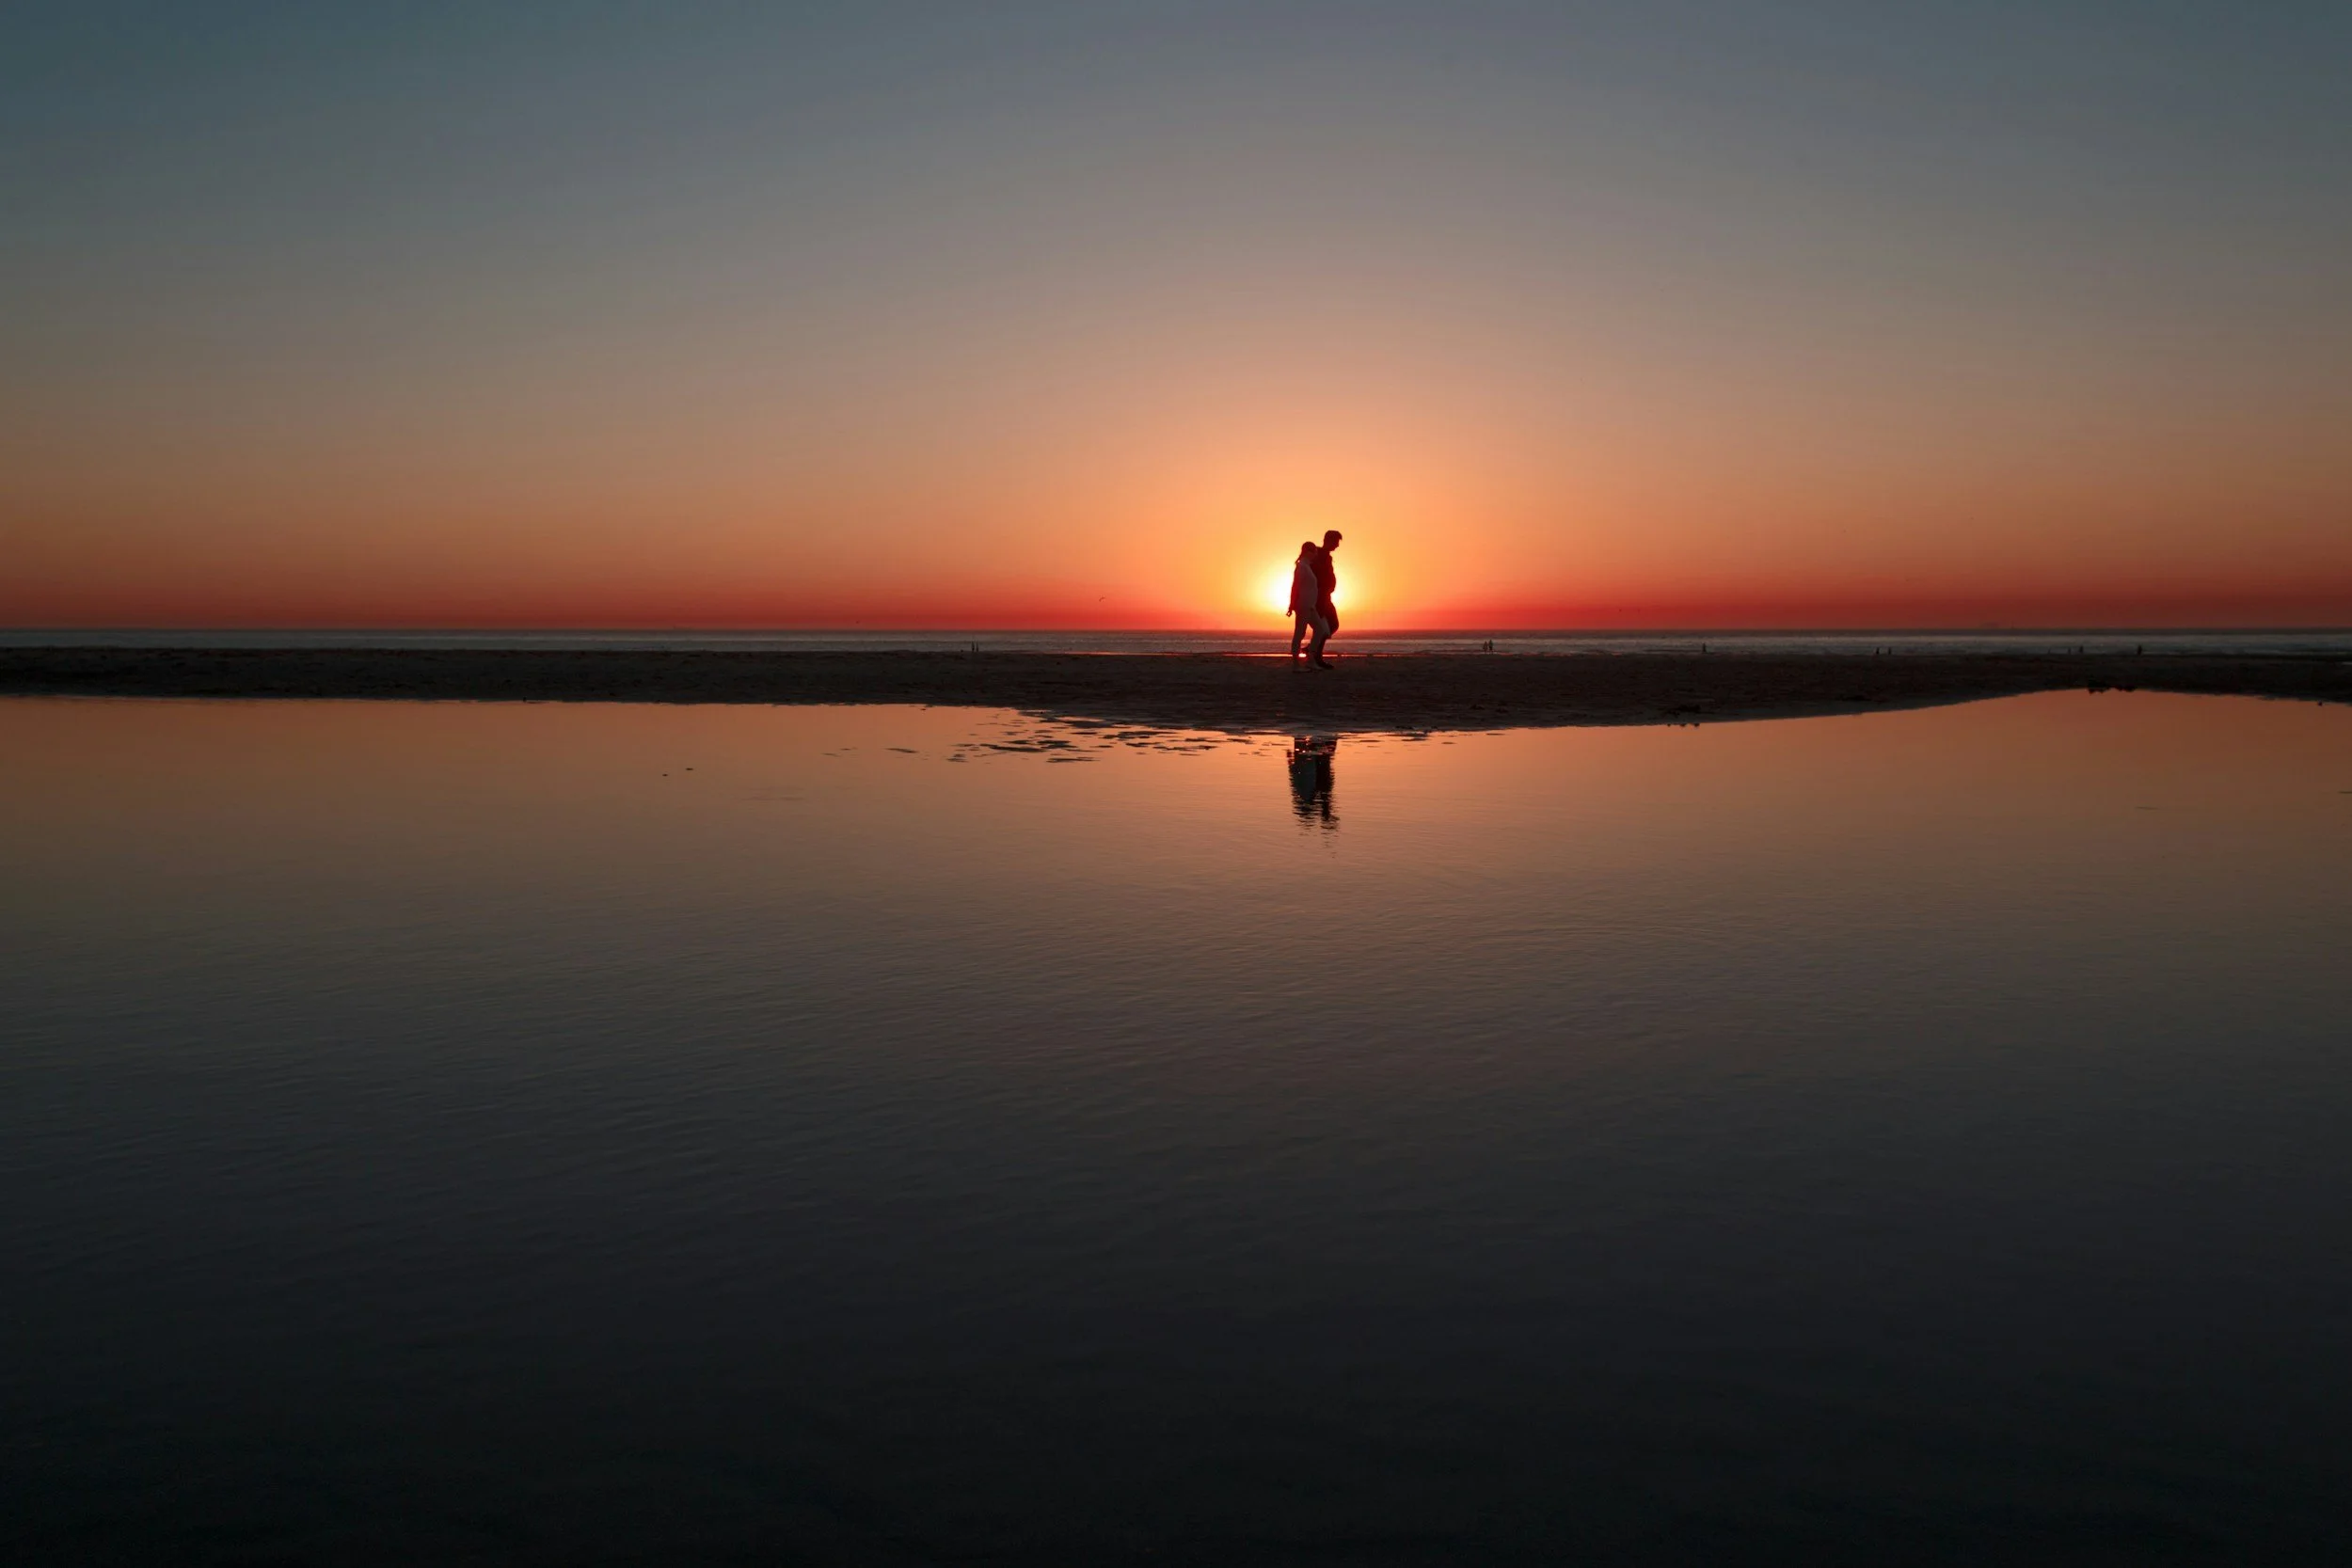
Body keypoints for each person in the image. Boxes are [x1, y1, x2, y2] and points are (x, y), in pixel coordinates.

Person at [1287, 542, 1327, 662]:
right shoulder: (1301, 566)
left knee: (1319, 630)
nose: (1315, 554)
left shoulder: (1307, 566)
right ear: (1308, 552)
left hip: (1310, 605)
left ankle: (1310, 659)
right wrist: (1291, 605)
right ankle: (1296, 663)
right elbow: (1295, 586)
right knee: (1300, 633)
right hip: (1304, 605)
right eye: (1314, 551)